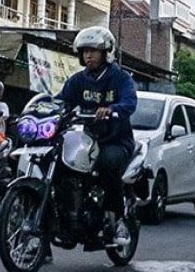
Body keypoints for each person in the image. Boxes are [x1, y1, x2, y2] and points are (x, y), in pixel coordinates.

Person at [56, 25, 138, 247]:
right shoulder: (76, 80)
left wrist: (112, 109)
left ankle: (119, 220)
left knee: (106, 165)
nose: (88, 55)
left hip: (114, 140)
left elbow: (130, 103)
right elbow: (60, 101)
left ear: (106, 52)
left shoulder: (120, 78)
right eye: (85, 51)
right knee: (58, 166)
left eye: (94, 50)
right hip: (82, 140)